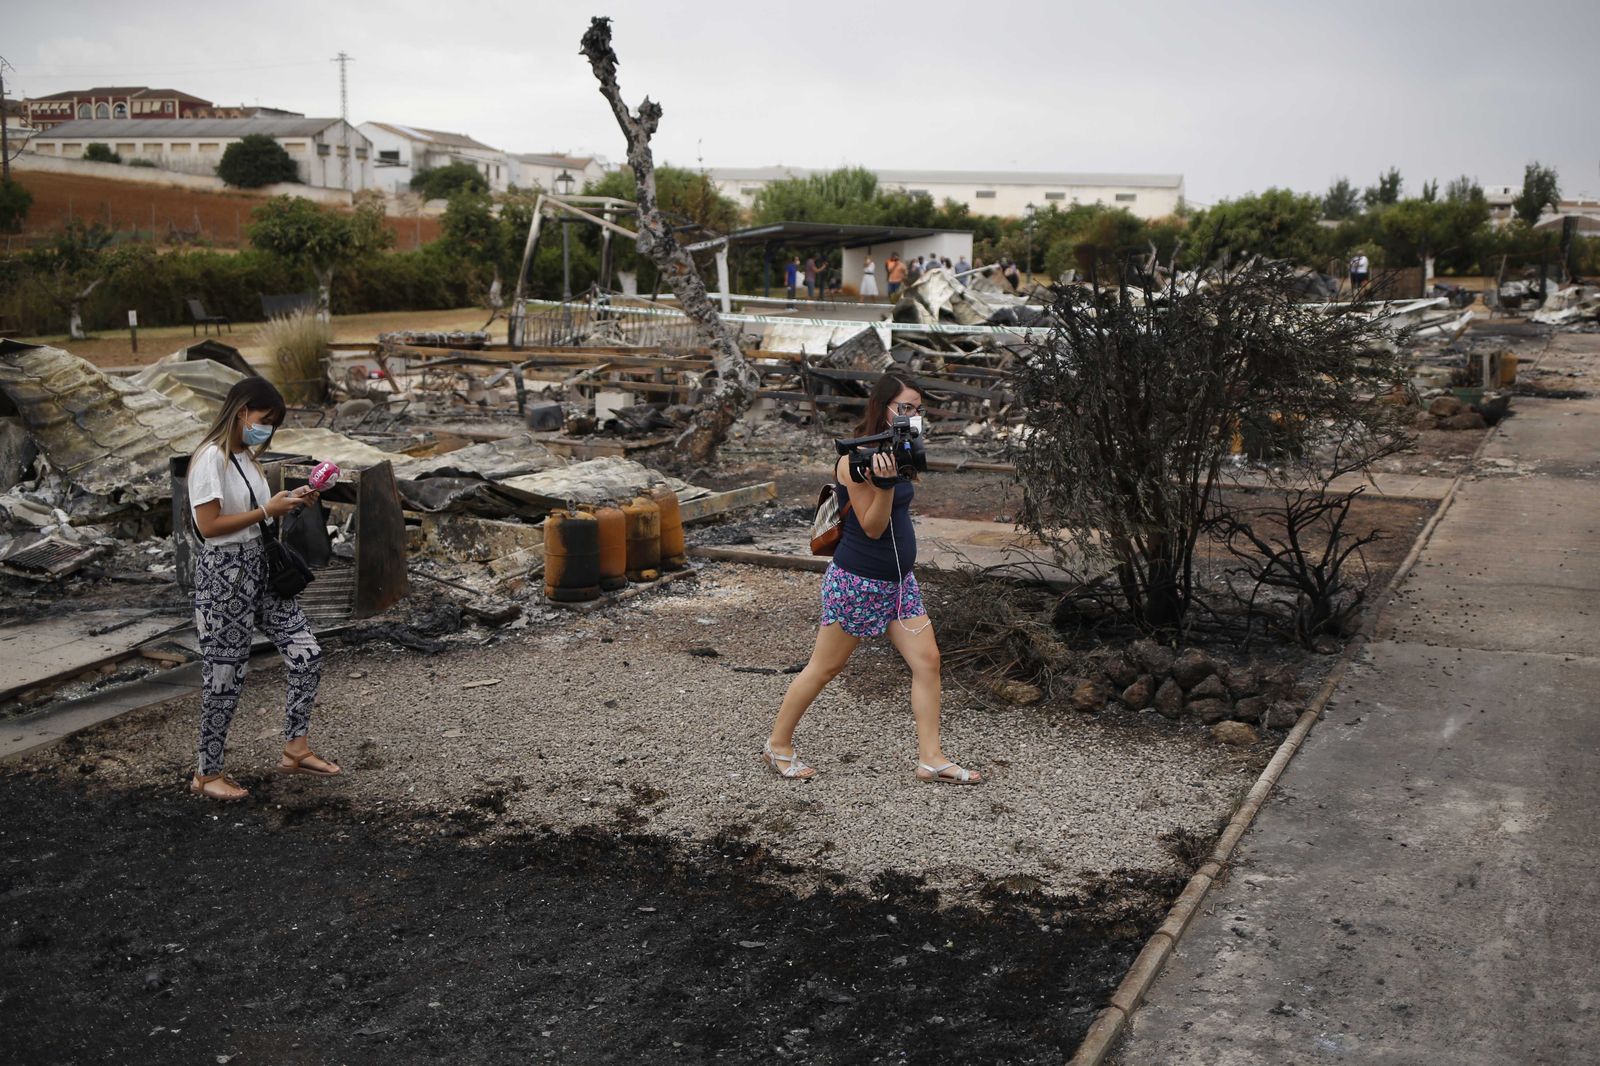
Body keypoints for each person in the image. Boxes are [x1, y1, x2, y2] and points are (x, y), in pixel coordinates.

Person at [763, 373, 983, 786]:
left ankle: (931, 758)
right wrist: (882, 486)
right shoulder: (854, 461)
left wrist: (898, 467)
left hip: (900, 582)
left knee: (928, 661)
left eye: (917, 409)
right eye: (905, 407)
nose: (913, 415)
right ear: (882, 407)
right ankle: (778, 745)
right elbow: (873, 525)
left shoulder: (897, 450)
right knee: (825, 668)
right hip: (859, 582)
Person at [186, 378, 337, 801]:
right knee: (225, 674)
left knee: (306, 652)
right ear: (240, 411)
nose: (266, 430)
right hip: (225, 574)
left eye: (272, 424)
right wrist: (266, 510)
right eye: (263, 420)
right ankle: (207, 772)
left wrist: (287, 503)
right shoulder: (209, 459)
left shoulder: (245, 457)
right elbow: (209, 525)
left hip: (260, 567)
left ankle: (296, 747)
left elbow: (256, 516)